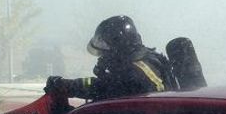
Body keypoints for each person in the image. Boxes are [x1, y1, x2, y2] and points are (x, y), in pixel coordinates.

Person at [45, 15, 176, 101]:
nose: (103, 55)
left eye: (105, 46)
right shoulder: (146, 60)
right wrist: (67, 84)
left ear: (118, 46)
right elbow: (97, 84)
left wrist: (67, 86)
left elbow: (100, 87)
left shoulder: (134, 73)